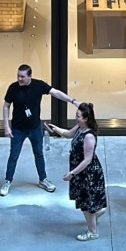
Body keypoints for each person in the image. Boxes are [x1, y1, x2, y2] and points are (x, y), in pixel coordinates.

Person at [0, 64, 80, 197]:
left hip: (35, 128)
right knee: (13, 156)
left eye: (22, 76)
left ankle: (43, 180)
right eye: (18, 76)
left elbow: (56, 93)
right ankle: (7, 181)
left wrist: (72, 101)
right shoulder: (13, 88)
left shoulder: (39, 85)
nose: (19, 79)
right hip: (18, 130)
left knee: (39, 154)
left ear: (29, 76)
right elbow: (6, 106)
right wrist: (6, 126)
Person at [45, 102, 107, 241]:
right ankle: (96, 215)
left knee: (86, 202)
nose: (76, 118)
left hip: (88, 174)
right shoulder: (80, 127)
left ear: (86, 118)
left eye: (78, 116)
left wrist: (72, 173)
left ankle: (92, 232)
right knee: (86, 201)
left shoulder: (89, 136)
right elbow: (68, 134)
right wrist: (55, 128)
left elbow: (87, 160)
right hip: (81, 172)